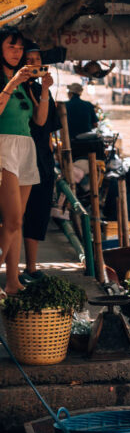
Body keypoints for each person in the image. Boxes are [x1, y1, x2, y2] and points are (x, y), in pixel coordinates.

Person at [0, 28, 51, 296]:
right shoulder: (10, 80)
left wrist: (43, 90)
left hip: (25, 147)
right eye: (11, 47)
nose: (17, 53)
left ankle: (12, 281)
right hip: (3, 146)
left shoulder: (26, 81)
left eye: (20, 49)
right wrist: (11, 84)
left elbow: (40, 121)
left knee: (17, 221)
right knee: (11, 221)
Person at [19, 41, 61, 282]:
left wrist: (44, 90)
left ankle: (31, 267)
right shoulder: (14, 89)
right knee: (13, 217)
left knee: (37, 213)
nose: (34, 64)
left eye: (37, 60)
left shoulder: (39, 89)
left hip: (42, 160)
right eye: (29, 59)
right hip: (19, 157)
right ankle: (12, 267)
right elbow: (40, 120)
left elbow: (48, 130)